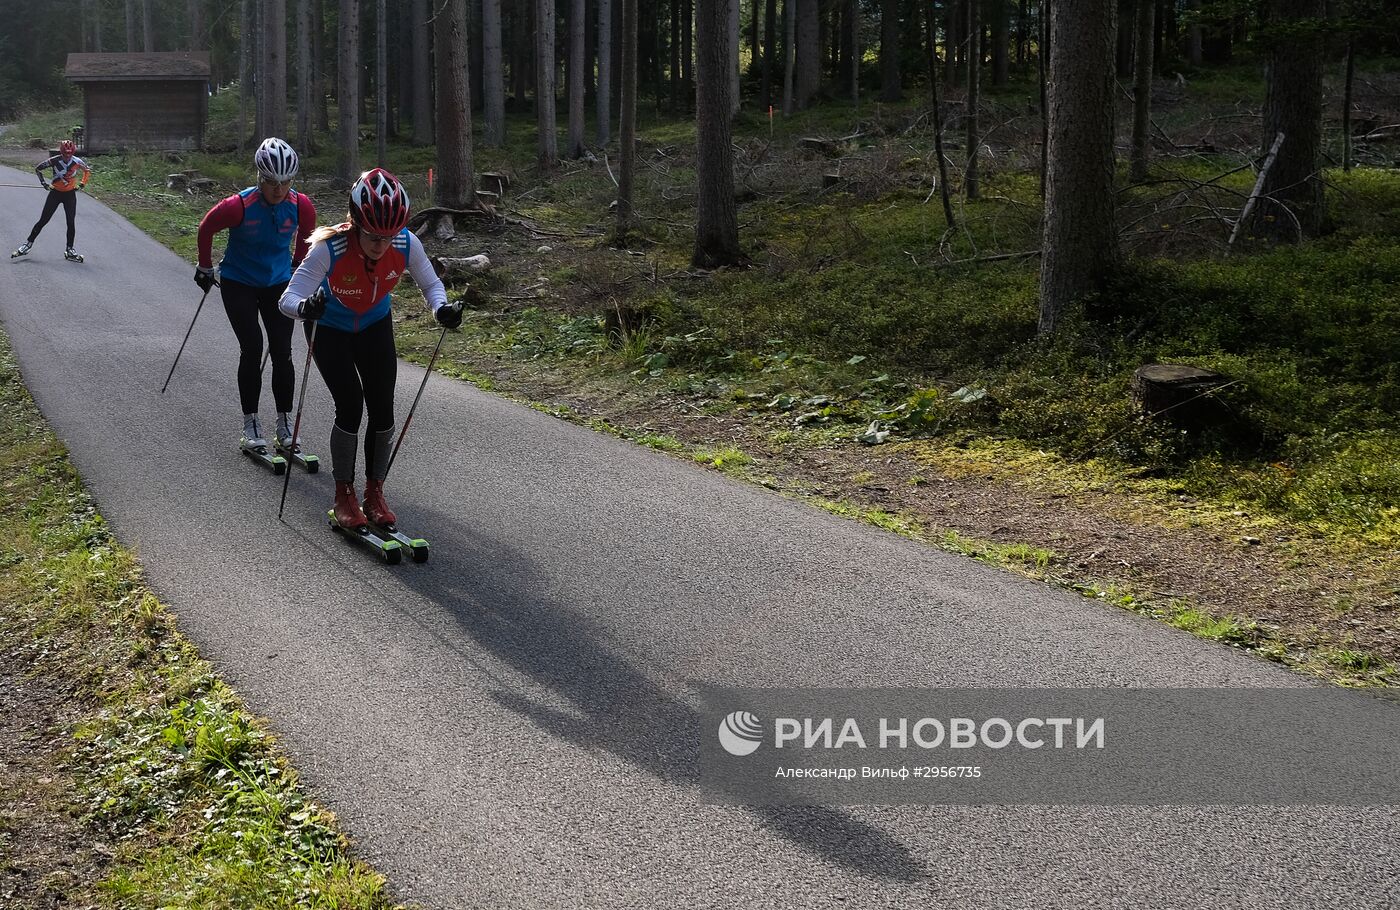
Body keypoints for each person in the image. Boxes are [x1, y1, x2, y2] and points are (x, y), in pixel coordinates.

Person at [278, 168, 462, 530]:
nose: (382, 244)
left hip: (374, 325)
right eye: (374, 236)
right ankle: (343, 492)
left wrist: (442, 309)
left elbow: (431, 284)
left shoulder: (407, 243)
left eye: (389, 236)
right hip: (329, 327)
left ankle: (374, 491)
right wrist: (305, 308)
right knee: (350, 404)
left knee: (383, 407)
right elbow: (288, 298)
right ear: (355, 223)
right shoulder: (329, 248)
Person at [195, 137, 317, 454]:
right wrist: (205, 267)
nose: (278, 189)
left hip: (277, 283)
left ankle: (284, 423)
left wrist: (296, 270)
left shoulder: (301, 205)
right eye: (271, 182)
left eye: (285, 182)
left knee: (283, 351)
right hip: (240, 282)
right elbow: (206, 227)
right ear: (259, 177)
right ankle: (250, 424)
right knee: (252, 347)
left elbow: (307, 238)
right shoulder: (238, 206)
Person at [12, 139, 91, 261]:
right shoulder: (54, 160)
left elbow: (87, 171)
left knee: (70, 222)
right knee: (43, 220)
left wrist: (82, 184)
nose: (67, 156)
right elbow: (38, 168)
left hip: (70, 195)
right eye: (65, 154)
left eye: (70, 154)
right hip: (55, 193)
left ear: (73, 152)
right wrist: (44, 183)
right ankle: (27, 245)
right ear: (61, 152)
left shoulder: (77, 161)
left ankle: (70, 249)